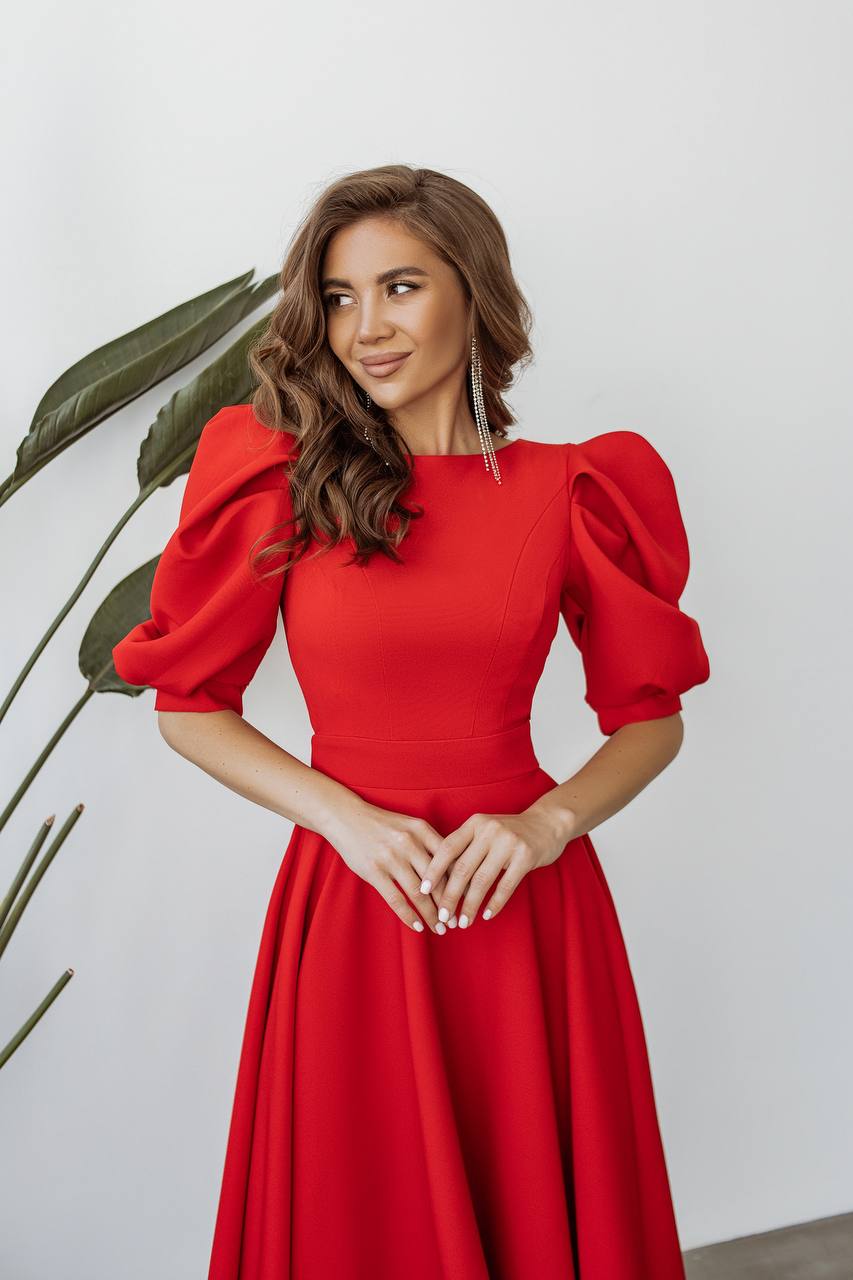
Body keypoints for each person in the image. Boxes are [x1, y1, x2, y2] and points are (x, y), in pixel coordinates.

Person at [112, 163, 710, 1280]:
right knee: (358, 1214)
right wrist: (346, 820)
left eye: (400, 287)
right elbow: (190, 708)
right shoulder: (278, 479)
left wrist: (545, 826)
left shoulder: (571, 488)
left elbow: (649, 720)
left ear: (471, 293)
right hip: (354, 896)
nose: (366, 327)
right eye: (339, 297)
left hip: (521, 898)